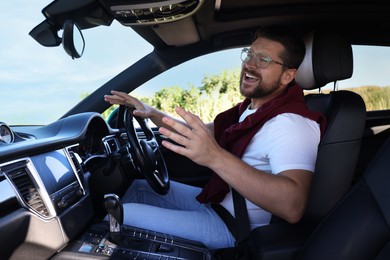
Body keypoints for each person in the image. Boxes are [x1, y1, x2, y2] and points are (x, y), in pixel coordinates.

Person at [104, 25, 326, 250]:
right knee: (140, 189)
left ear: (288, 75)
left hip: (232, 226)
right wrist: (150, 111)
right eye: (249, 54)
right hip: (217, 203)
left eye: (264, 60)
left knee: (118, 217)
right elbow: (197, 134)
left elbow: (293, 206)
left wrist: (214, 157)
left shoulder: (291, 123)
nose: (249, 64)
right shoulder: (251, 110)